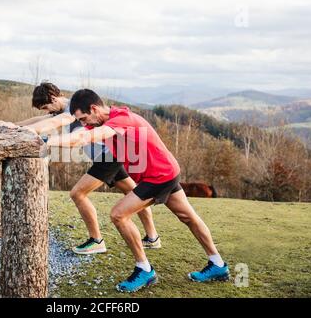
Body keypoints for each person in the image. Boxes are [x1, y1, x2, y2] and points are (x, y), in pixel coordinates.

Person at [47, 89, 229, 292]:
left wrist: (46, 142)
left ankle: (144, 269)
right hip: (166, 170)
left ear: (94, 108)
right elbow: (78, 132)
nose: (83, 123)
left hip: (159, 176)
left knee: (118, 215)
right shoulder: (99, 120)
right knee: (188, 217)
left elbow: (87, 137)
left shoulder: (120, 120)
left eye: (83, 118)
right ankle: (218, 265)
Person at [0, 82, 162, 254]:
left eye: (45, 107)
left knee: (77, 194)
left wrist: (26, 131)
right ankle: (152, 237)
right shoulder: (62, 108)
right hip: (110, 155)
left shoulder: (73, 109)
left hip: (107, 156)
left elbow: (54, 122)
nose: (46, 112)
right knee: (133, 192)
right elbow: (41, 120)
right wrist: (13, 125)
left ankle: (96, 241)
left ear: (53, 98)